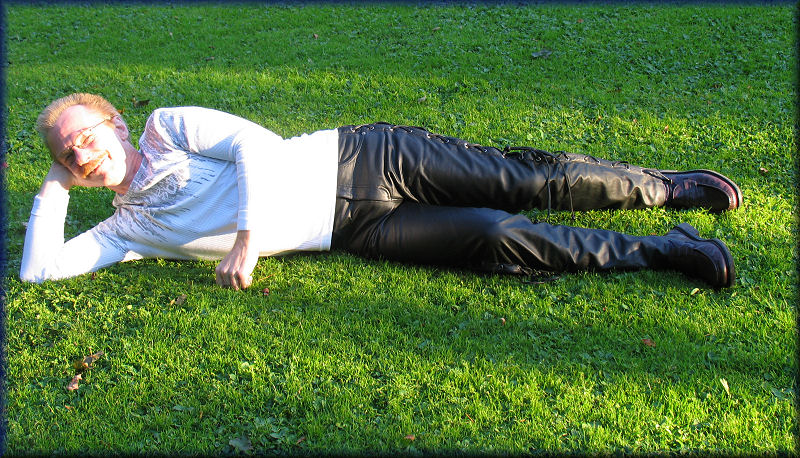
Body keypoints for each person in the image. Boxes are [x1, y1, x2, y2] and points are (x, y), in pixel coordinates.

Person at [20, 93, 741, 290]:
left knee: (522, 179)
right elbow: (39, 269)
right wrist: (53, 185)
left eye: (87, 135)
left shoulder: (166, 127)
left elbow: (255, 147)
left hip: (364, 159)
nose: (83, 152)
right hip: (353, 232)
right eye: (68, 153)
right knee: (496, 237)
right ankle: (664, 251)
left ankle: (664, 191)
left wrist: (246, 240)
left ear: (116, 124)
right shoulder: (124, 230)